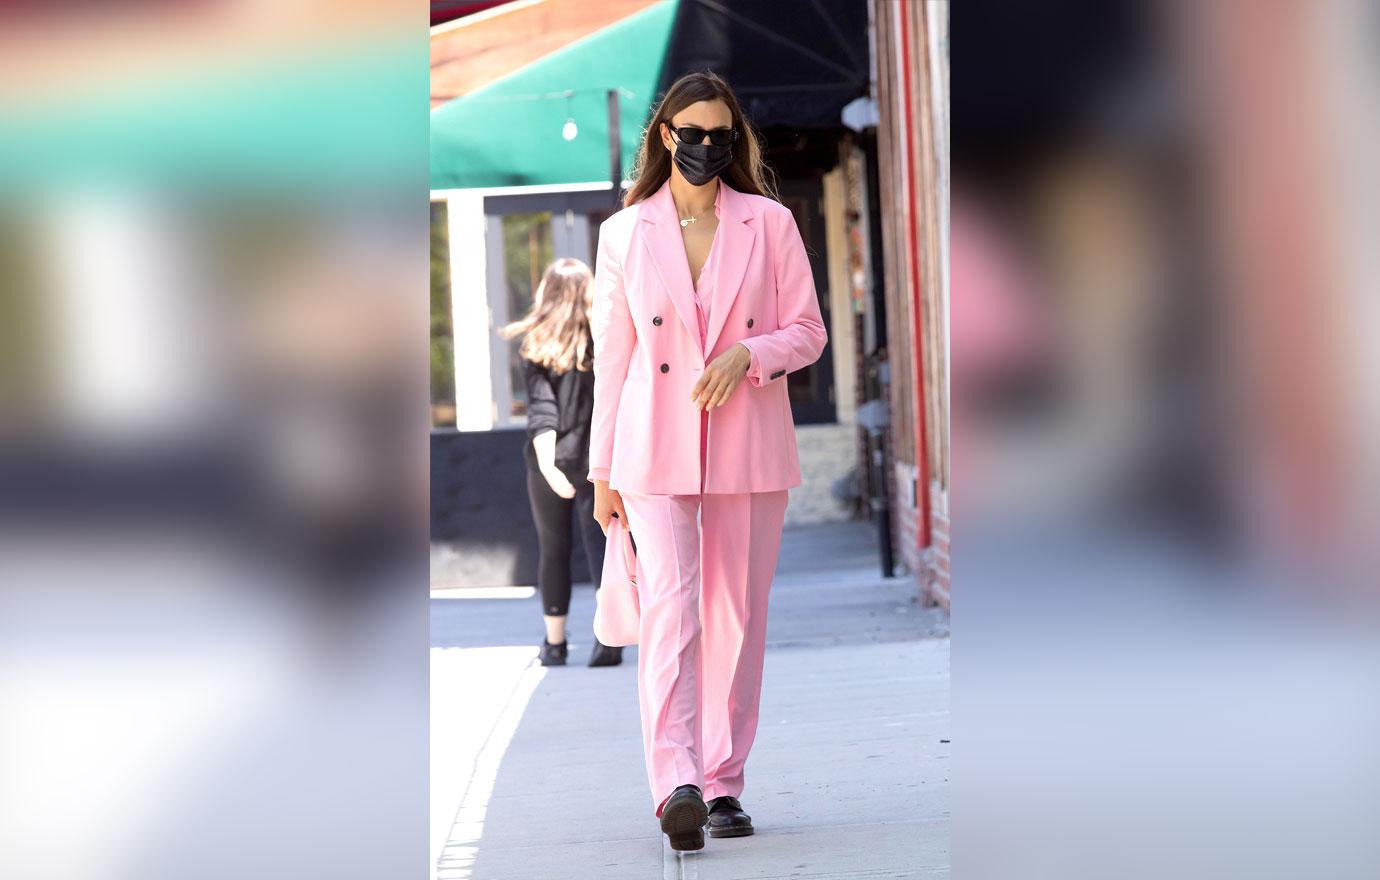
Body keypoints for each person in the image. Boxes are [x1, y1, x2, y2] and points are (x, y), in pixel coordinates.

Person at [586, 71, 827, 851]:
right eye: (692, 135)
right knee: (670, 615)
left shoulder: (771, 222)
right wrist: (600, 473)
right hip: (651, 449)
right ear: (666, 137)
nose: (707, 149)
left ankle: (723, 782)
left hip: (747, 448)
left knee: (734, 621)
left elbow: (809, 330)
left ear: (735, 139)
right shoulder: (625, 233)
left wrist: (749, 354)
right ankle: (675, 782)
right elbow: (612, 357)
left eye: (721, 136)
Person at [500, 258, 623, 668]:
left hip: (549, 461)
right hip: (600, 460)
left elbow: (542, 409)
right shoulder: (607, 339)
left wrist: (550, 466)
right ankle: (608, 640)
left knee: (553, 549)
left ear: (547, 294)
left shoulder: (535, 344)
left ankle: (554, 645)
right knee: (602, 547)